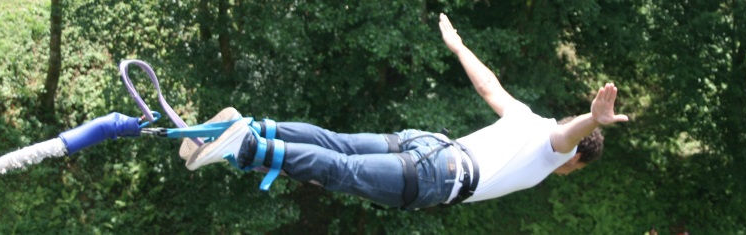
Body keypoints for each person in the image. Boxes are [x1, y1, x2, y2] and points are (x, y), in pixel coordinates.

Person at [179, 13, 629, 209]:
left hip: (428, 144)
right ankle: (247, 143)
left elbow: (488, 85)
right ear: (575, 160)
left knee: (336, 144)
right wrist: (594, 119)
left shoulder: (529, 117)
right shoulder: (554, 149)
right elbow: (564, 140)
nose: (566, 169)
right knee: (341, 171)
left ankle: (250, 128)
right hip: (440, 174)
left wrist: (458, 46)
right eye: (574, 168)